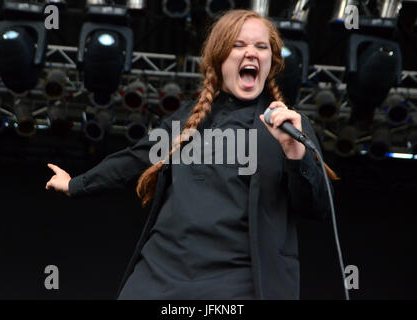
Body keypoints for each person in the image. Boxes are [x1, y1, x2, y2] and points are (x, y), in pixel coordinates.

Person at [45, 9, 337, 300]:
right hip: (160, 274)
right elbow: (134, 159)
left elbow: (317, 207)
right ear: (219, 58)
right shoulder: (185, 121)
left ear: (270, 62)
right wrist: (75, 184)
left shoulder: (286, 126)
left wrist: (294, 153)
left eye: (261, 47)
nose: (251, 53)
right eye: (239, 45)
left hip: (237, 281)